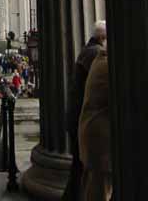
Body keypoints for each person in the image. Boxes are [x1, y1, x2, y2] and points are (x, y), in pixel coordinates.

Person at [62, 20, 107, 200]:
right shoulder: (96, 54)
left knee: (78, 169)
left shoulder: (88, 50)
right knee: (85, 173)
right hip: (86, 121)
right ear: (103, 38)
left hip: (80, 119)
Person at [79, 49, 111, 200]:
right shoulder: (107, 64)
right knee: (99, 192)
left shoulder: (100, 60)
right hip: (101, 144)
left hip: (94, 140)